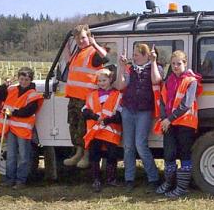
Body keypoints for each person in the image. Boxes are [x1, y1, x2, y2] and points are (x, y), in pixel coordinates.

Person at [154, 50, 202, 198]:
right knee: (169, 154)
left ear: (185, 64)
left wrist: (170, 119)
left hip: (185, 122)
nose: (175, 66)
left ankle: (182, 188)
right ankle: (169, 183)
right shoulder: (168, 80)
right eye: (173, 64)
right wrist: (164, 118)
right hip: (169, 122)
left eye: (179, 64)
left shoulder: (191, 81)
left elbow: (186, 104)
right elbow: (162, 100)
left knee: (184, 154)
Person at [115, 43, 161, 191]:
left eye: (136, 54)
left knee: (140, 145)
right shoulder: (130, 69)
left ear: (145, 55)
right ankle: (129, 179)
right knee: (128, 146)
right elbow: (120, 86)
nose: (133, 57)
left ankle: (153, 177)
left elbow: (156, 80)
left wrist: (153, 61)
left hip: (144, 111)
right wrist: (121, 67)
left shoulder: (155, 67)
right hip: (128, 110)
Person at [63, 24, 108, 169]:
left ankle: (86, 155)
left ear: (88, 37)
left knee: (85, 128)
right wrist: (65, 46)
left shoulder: (93, 52)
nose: (80, 40)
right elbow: (69, 62)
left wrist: (94, 43)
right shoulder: (78, 52)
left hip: (87, 99)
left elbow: (105, 57)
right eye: (77, 38)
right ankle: (78, 153)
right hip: (74, 97)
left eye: (83, 37)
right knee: (74, 126)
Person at [0, 67, 43, 189]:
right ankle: (10, 179)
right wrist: (4, 85)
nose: (23, 82)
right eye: (21, 79)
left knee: (24, 156)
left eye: (26, 79)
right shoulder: (12, 90)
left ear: (31, 80)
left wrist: (13, 112)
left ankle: (21, 181)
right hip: (11, 128)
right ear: (18, 78)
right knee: (10, 155)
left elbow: (28, 111)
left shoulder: (33, 94)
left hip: (23, 130)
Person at [83, 68, 123, 192]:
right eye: (99, 80)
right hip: (95, 132)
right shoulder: (92, 95)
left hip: (110, 131)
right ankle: (96, 180)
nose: (101, 83)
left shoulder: (118, 95)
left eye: (104, 80)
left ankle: (111, 179)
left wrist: (106, 121)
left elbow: (119, 116)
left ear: (110, 79)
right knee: (94, 155)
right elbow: (85, 111)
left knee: (112, 155)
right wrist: (95, 117)